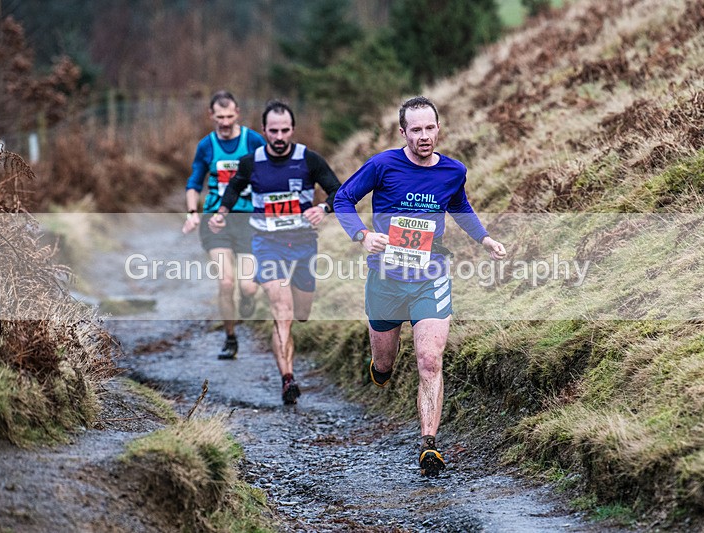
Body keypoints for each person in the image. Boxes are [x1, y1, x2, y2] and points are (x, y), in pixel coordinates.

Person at [333, 96, 507, 476]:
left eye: (430, 128)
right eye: (416, 130)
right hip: (386, 279)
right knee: (385, 363)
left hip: (431, 277)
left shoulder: (452, 171)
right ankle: (379, 367)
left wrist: (485, 239)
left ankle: (429, 445)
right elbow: (342, 198)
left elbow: (459, 206)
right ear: (403, 132)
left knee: (430, 361)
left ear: (438, 128)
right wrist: (362, 235)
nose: (424, 136)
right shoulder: (383, 165)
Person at [212, 100, 341, 405]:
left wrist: (323, 208)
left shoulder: (309, 160)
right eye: (274, 131)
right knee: (281, 313)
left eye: (285, 130)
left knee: (301, 314)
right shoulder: (251, 162)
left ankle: (288, 367)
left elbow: (339, 191)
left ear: (293, 130)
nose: (279, 136)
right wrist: (221, 212)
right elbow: (233, 188)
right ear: (264, 131)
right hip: (267, 245)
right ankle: (288, 379)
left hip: (303, 246)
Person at [183, 91, 266, 360]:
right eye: (220, 117)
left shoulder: (252, 140)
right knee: (226, 282)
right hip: (216, 221)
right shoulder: (206, 145)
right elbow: (194, 182)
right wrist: (193, 212)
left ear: (237, 113)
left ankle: (249, 298)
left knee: (248, 286)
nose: (225, 122)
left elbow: (269, 173)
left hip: (249, 221)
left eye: (230, 116)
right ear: (211, 115)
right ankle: (230, 338)